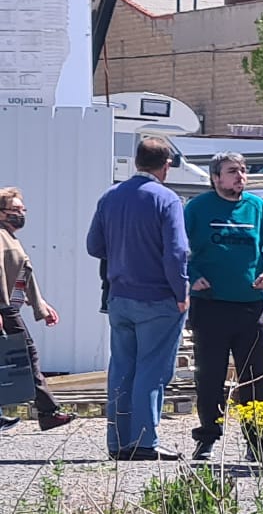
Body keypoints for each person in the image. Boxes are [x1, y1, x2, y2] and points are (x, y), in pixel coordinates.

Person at [87, 136, 191, 460]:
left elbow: (94, 246)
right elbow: (176, 253)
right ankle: (145, 440)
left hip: (119, 296)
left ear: (136, 161)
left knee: (121, 368)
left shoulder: (110, 197)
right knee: (153, 369)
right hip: (158, 298)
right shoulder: (167, 199)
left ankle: (118, 442)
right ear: (167, 165)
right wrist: (182, 292)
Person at [183, 154, 263, 461]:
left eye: (243, 171)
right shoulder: (198, 208)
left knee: (255, 379)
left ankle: (256, 442)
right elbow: (177, 246)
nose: (241, 176)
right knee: (210, 377)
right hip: (210, 306)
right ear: (216, 177)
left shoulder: (257, 207)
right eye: (232, 172)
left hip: (249, 307)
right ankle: (207, 438)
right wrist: (192, 276)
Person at [0, 187, 75, 431]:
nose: (21, 214)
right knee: (26, 355)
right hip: (5, 309)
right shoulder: (1, 237)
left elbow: (21, 277)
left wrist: (39, 304)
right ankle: (49, 411)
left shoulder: (9, 237)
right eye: (15, 210)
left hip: (10, 307)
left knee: (13, 357)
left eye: (23, 209)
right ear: (2, 213)